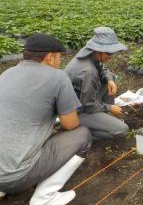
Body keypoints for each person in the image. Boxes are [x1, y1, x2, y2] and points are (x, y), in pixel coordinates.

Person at [0, 33, 91, 205]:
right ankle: (45, 197)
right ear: (50, 58)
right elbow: (70, 124)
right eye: (59, 58)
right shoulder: (57, 77)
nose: (60, 63)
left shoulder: (7, 73)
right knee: (82, 135)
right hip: (16, 176)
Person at [65, 27, 129, 139]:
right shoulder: (88, 72)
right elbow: (88, 106)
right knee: (122, 130)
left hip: (80, 100)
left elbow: (102, 69)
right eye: (108, 54)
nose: (111, 57)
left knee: (109, 79)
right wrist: (109, 107)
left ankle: (100, 119)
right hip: (74, 112)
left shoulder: (89, 54)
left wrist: (109, 79)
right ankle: (82, 131)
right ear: (98, 50)